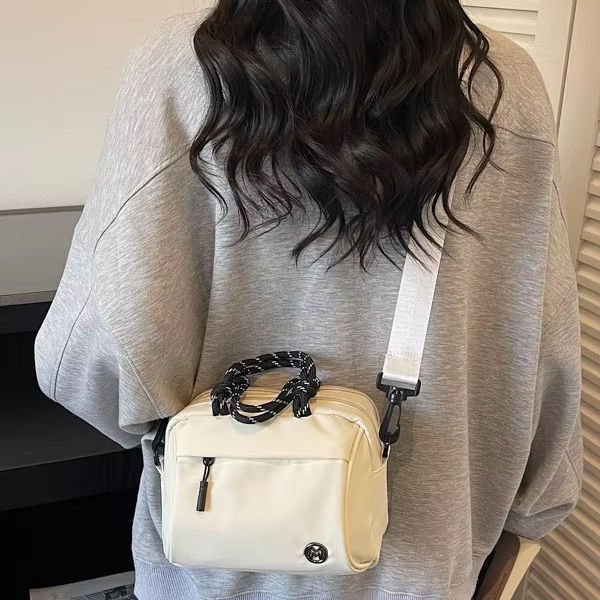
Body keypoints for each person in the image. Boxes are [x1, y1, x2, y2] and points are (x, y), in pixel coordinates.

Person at [34, 2, 583, 599]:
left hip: (218, 566)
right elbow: (543, 356)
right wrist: (527, 518)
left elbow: (89, 361)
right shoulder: (505, 85)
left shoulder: (180, 68)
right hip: (426, 568)